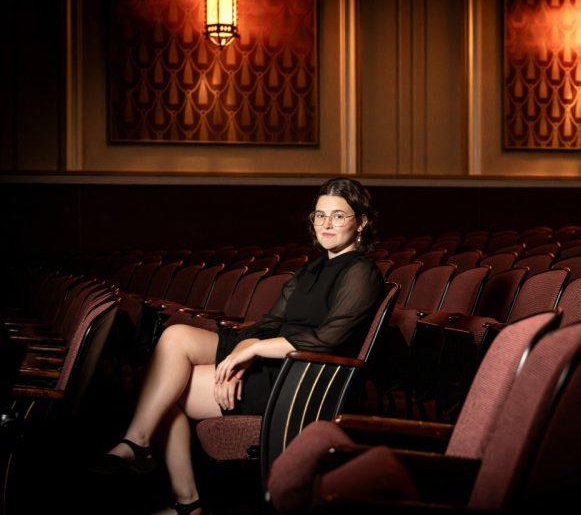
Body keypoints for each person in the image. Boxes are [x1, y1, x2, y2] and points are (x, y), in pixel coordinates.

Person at [90, 178, 384, 515]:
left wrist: (253, 351)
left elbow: (329, 340)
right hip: (276, 356)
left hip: (298, 375)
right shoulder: (313, 269)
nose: (327, 224)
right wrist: (238, 355)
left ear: (361, 222)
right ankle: (140, 444)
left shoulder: (361, 271)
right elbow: (269, 323)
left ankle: (185, 499)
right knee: (175, 338)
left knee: (162, 392)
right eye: (319, 216)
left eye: (338, 216)